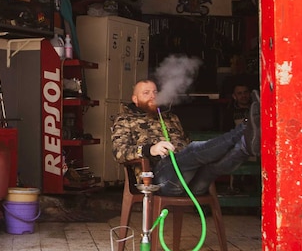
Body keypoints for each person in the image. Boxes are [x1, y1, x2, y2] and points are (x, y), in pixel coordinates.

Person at [111, 79, 260, 196]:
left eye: (155, 92)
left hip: (193, 181)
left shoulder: (170, 117)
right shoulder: (125, 120)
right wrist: (151, 150)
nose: (153, 96)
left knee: (214, 166)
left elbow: (187, 146)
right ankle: (245, 127)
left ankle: (246, 146)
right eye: (146, 93)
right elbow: (119, 153)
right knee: (194, 149)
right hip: (161, 179)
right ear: (135, 99)